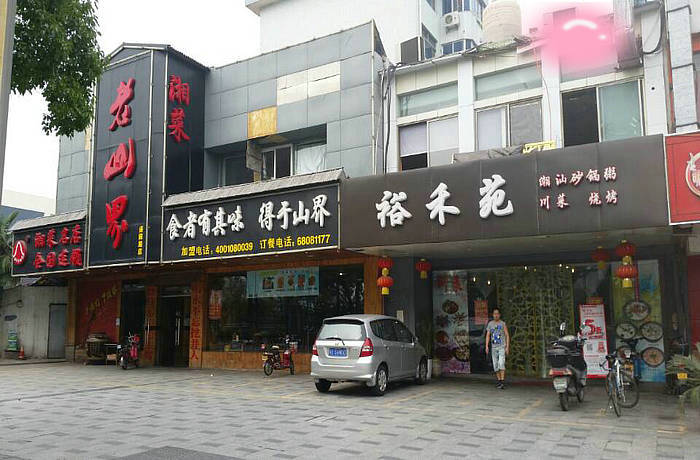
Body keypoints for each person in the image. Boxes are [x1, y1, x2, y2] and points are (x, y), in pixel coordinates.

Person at [485, 307, 510, 389]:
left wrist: (507, 347)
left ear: (500, 315)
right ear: (492, 315)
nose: (496, 315)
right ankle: (499, 381)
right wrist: (486, 346)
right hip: (494, 347)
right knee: (495, 365)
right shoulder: (490, 324)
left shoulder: (502, 324)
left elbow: (507, 335)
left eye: (497, 314)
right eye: (494, 314)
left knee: (501, 363)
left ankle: (502, 381)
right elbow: (488, 335)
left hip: (502, 346)